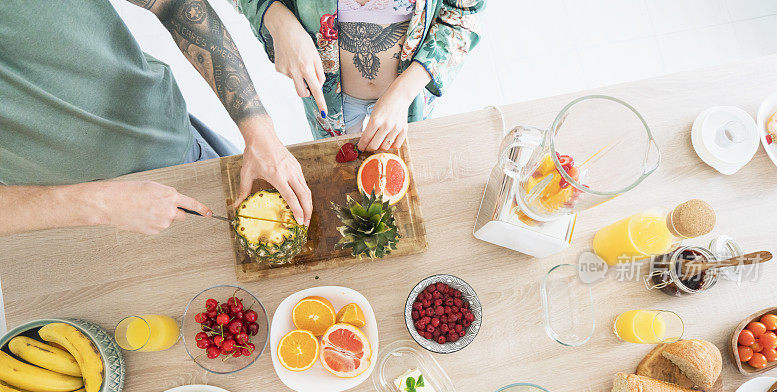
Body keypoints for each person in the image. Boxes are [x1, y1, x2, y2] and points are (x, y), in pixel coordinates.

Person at [0, 0, 312, 236]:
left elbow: (172, 3)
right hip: (53, 219)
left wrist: (260, 131)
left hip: (177, 148)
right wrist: (100, 204)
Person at [237, 0, 484, 151]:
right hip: (329, 103)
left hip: (411, 98)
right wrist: (277, 18)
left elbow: (464, 12)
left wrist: (403, 93)